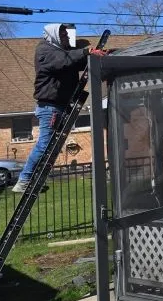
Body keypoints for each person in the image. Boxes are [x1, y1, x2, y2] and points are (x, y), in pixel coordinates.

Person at [12, 25, 107, 193]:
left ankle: (33, 179)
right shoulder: (45, 50)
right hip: (50, 106)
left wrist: (98, 56)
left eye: (66, 34)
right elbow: (62, 61)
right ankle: (24, 180)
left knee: (49, 145)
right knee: (44, 144)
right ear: (53, 35)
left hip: (59, 106)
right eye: (62, 34)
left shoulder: (62, 53)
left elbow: (73, 62)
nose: (65, 37)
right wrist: (86, 51)